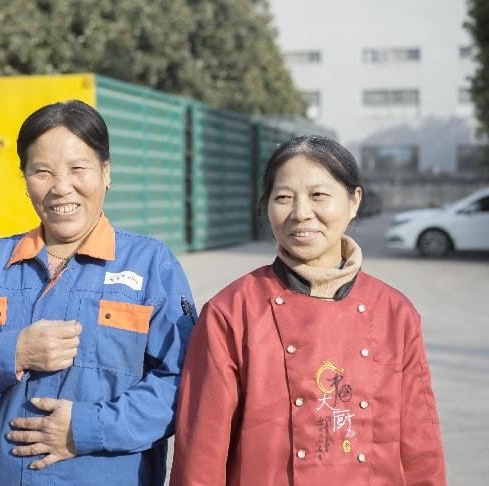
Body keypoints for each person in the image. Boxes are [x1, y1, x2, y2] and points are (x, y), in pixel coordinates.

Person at [0, 100, 197, 486]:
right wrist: (13, 352)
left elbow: (185, 381)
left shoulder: (151, 266)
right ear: (25, 178)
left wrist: (88, 427)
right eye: (42, 172)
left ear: (106, 172)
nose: (61, 187)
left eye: (78, 168)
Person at [170, 136, 446, 485]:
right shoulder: (231, 312)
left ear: (354, 201)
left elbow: (421, 446)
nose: (301, 213)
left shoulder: (395, 313)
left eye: (318, 195)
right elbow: (201, 454)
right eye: (284, 197)